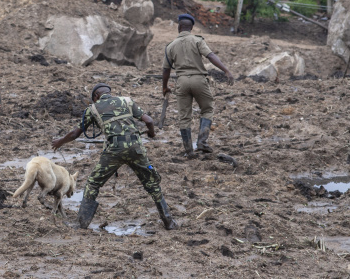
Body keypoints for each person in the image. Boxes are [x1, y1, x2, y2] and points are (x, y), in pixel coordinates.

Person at [51, 83, 177, 230]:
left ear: (96, 96)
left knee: (93, 183)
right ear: (109, 93)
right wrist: (152, 133)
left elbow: (75, 133)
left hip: (114, 150)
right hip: (136, 148)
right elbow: (148, 120)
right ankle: (169, 222)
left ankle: (81, 223)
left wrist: (60, 142)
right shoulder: (127, 101)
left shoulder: (93, 109)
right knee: (152, 185)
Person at [162, 14, 234, 157]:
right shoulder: (197, 40)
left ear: (179, 27)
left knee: (184, 117)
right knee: (207, 109)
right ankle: (202, 142)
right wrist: (226, 70)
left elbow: (166, 69)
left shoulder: (170, 46)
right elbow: (211, 56)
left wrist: (164, 87)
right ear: (191, 28)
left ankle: (189, 150)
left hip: (181, 82)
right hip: (199, 80)